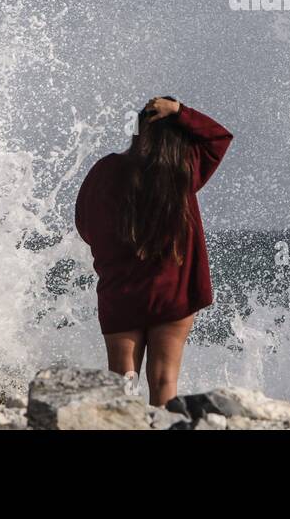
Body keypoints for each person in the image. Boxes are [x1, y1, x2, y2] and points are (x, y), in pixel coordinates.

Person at [74, 96, 233, 406]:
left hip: (121, 289)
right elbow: (218, 137)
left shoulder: (107, 169)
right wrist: (180, 112)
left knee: (122, 382)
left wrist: (113, 251)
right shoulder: (181, 173)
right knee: (163, 380)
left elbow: (84, 223)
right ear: (179, 138)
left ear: (137, 130)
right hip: (172, 292)